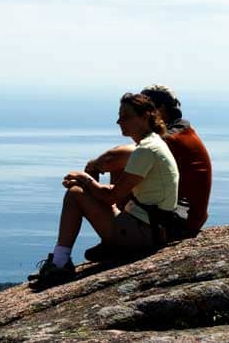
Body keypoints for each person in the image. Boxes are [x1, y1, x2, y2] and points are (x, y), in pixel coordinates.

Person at [29, 93, 179, 286]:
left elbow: (111, 197)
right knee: (81, 191)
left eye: (125, 116)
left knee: (75, 194)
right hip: (152, 226)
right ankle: (65, 259)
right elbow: (119, 190)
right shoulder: (153, 143)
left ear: (145, 117)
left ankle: (59, 263)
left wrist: (85, 180)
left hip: (144, 233)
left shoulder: (145, 151)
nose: (119, 121)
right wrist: (91, 186)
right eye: (119, 116)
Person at [84, 84, 212, 261]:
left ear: (159, 110)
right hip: (182, 214)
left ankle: (119, 237)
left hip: (177, 221)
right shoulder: (182, 131)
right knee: (125, 168)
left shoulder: (170, 139)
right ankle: (119, 232)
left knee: (120, 166)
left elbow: (118, 157)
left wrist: (94, 166)